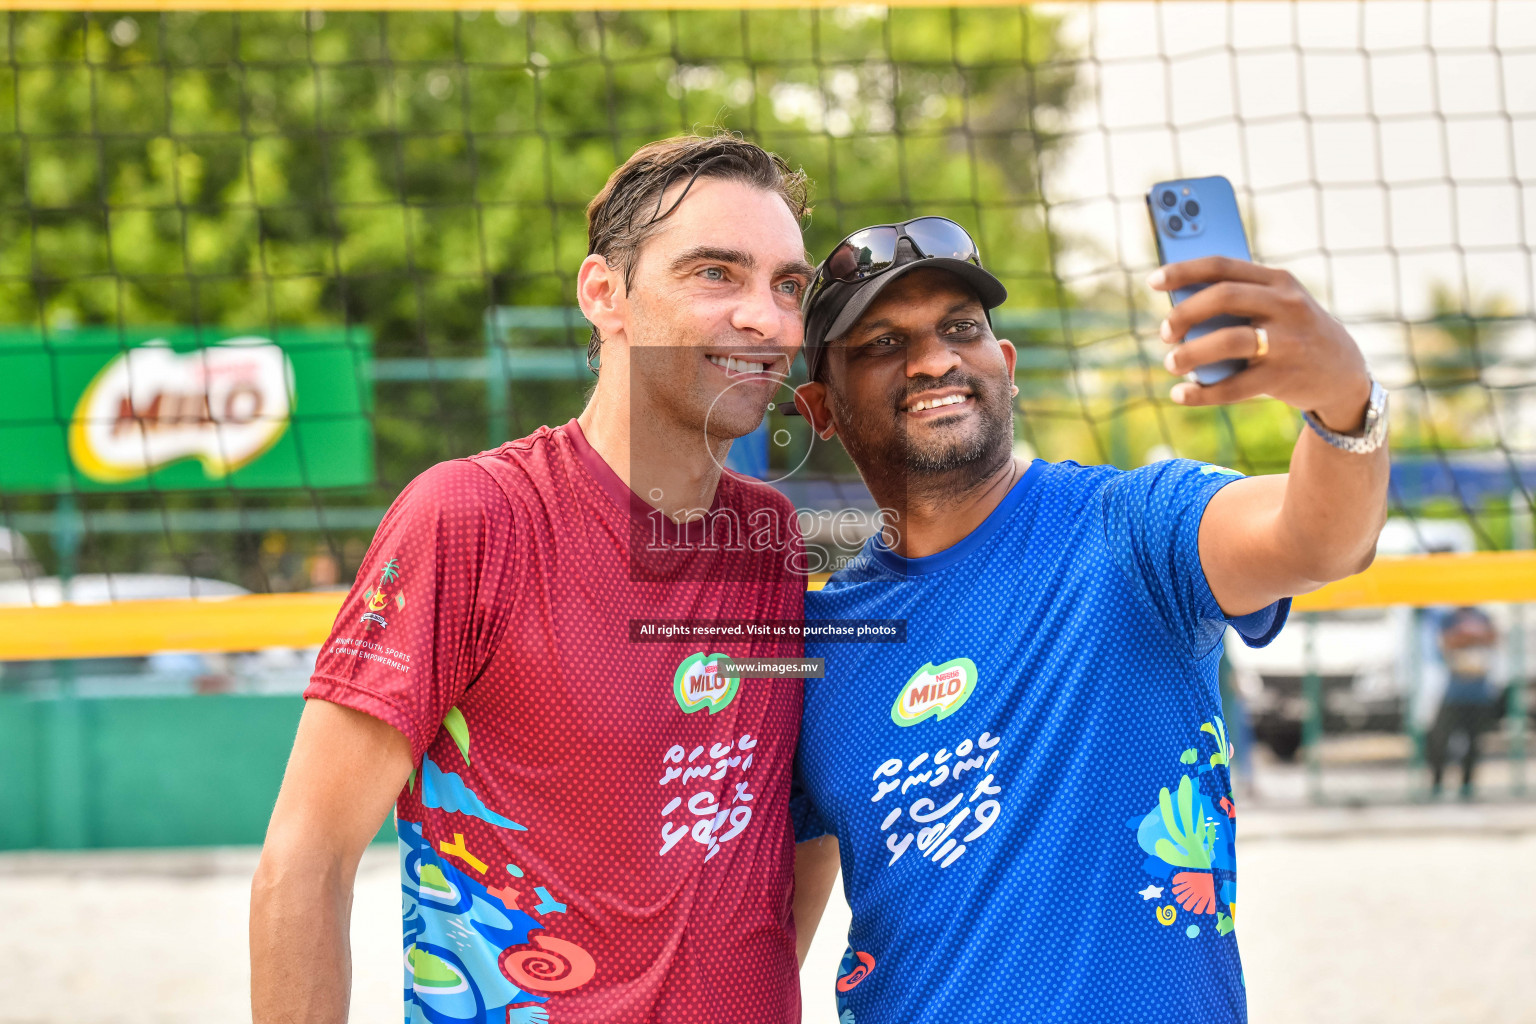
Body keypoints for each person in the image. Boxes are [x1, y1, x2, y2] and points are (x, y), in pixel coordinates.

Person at [250, 133, 818, 1024]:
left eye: (789, 285)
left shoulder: (773, 539)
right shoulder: (472, 517)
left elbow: (793, 828)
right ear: (605, 294)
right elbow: (304, 862)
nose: (770, 319)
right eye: (717, 272)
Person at [787, 217, 1390, 1021]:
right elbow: (767, 942)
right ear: (820, 408)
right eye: (882, 344)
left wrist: (1344, 402)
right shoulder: (818, 647)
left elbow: (1319, 540)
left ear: (1003, 366)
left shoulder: (1132, 528)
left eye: (960, 329)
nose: (934, 359)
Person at [1426, 605, 1500, 799]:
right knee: (1440, 740)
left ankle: (1467, 786)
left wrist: (1467, 637)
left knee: (1474, 743)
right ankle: (1437, 784)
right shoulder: (1449, 616)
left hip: (1479, 693)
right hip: (1454, 692)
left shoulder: (1483, 615)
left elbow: (1493, 638)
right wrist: (1473, 637)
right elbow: (1448, 642)